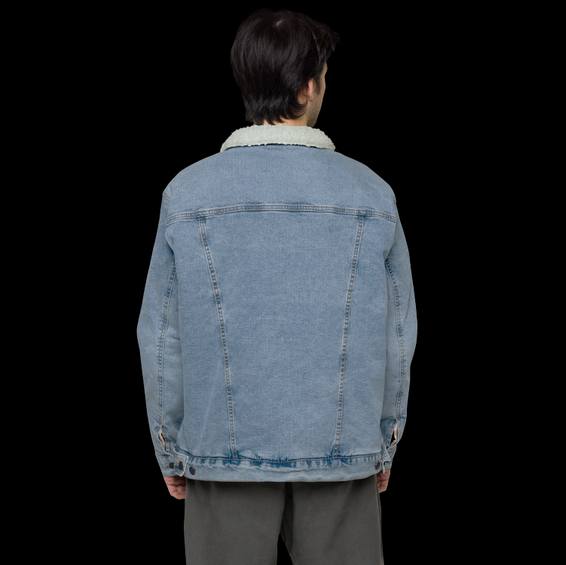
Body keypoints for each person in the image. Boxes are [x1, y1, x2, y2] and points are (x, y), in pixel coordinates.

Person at [137, 8, 417, 564]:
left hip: (221, 456)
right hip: (343, 456)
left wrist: (171, 448)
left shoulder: (187, 194)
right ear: (309, 86)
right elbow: (397, 337)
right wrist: (383, 441)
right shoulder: (372, 195)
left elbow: (162, 339)